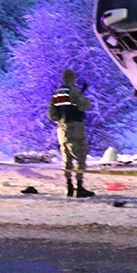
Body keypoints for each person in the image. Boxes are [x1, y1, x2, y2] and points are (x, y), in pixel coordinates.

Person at [48, 68, 95, 198]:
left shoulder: (56, 93)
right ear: (73, 78)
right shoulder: (74, 91)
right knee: (80, 156)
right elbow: (84, 106)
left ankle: (68, 186)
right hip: (76, 127)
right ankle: (79, 186)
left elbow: (52, 114)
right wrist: (85, 98)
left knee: (66, 158)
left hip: (62, 129)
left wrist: (61, 121)